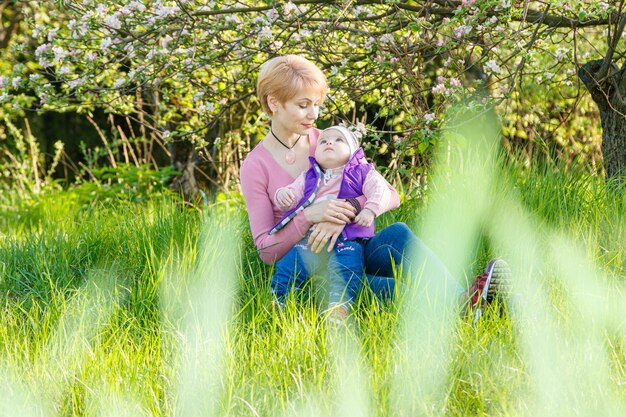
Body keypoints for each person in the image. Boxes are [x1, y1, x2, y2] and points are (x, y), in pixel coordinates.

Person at [239, 54, 509, 321]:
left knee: (397, 234)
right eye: (303, 105)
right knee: (393, 289)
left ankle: (468, 300)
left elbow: (390, 194)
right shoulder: (256, 166)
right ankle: (475, 306)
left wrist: (343, 212)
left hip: (350, 250)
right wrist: (310, 216)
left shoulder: (327, 141)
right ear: (274, 103)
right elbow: (266, 250)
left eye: (317, 104)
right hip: (308, 269)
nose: (314, 114)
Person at [270, 125, 391, 322]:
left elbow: (381, 190)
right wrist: (283, 195)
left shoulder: (362, 171)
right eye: (324, 141)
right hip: (313, 238)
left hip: (349, 239)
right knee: (288, 264)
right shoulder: (309, 176)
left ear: (353, 150)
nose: (329, 143)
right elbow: (293, 196)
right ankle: (279, 301)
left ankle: (339, 308)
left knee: (346, 270)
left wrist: (370, 209)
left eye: (338, 140)